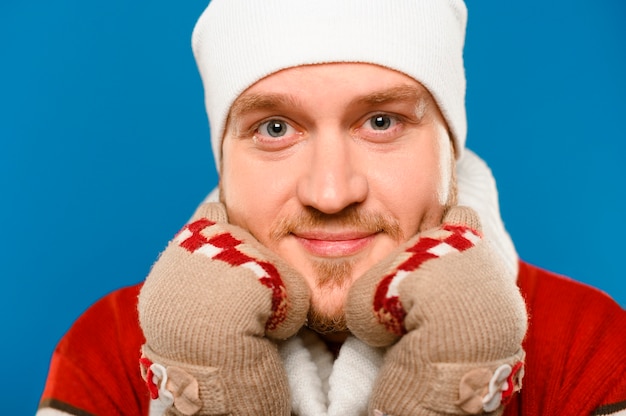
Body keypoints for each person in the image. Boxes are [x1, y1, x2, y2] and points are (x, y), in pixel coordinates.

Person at [37, 1, 626, 415]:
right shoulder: (114, 345)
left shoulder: (587, 344)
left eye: (380, 122)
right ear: (223, 160)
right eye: (274, 128)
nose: (330, 192)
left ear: (450, 148)